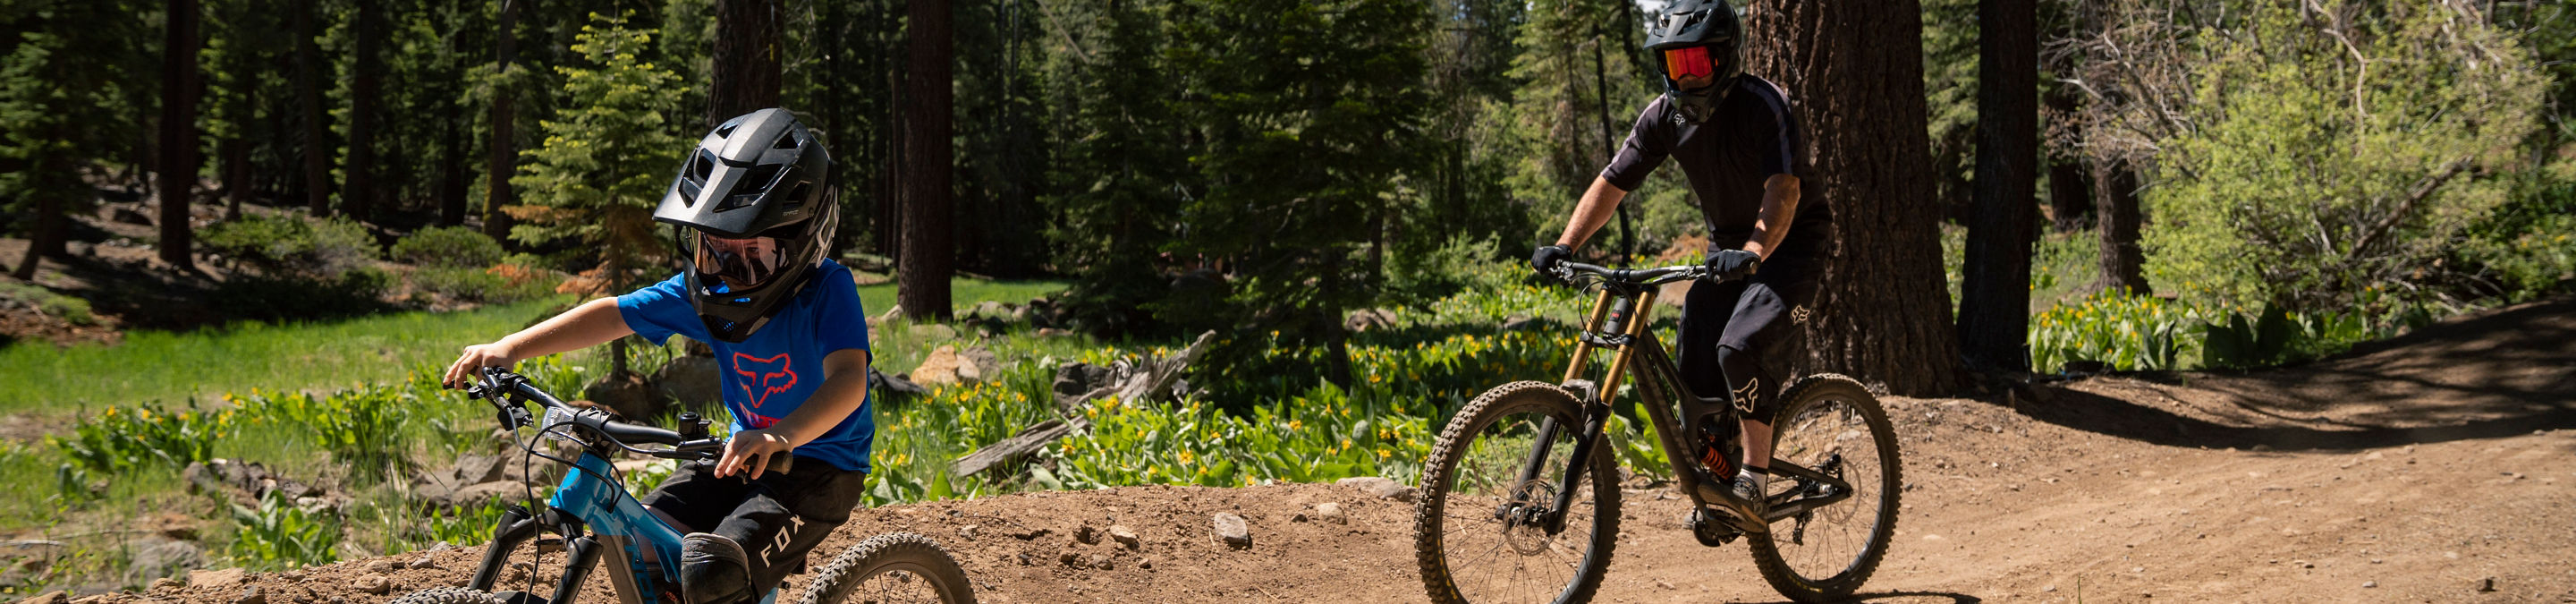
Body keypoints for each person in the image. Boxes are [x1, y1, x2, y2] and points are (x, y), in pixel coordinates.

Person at [441, 108, 871, 603]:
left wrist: (781, 435)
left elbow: (847, 382)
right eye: (715, 251)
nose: (728, 272)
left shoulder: (827, 290)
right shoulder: (702, 295)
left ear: (802, 242)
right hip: (738, 453)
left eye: (753, 255)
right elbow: (612, 314)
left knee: (713, 576)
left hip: (818, 467)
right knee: (638, 540)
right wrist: (511, 346)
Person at [1529, 0, 1833, 532]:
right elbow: (1612, 183)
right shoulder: (1662, 117)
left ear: (1725, 58)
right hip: (1727, 251)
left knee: (1739, 347)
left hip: (1789, 246)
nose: (1684, 77)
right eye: (1674, 65)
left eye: (1696, 64)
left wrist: (1757, 252)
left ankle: (1754, 480)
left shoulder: (1765, 105)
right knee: (1694, 365)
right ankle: (1720, 473)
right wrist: (1565, 245)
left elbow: (1784, 190)